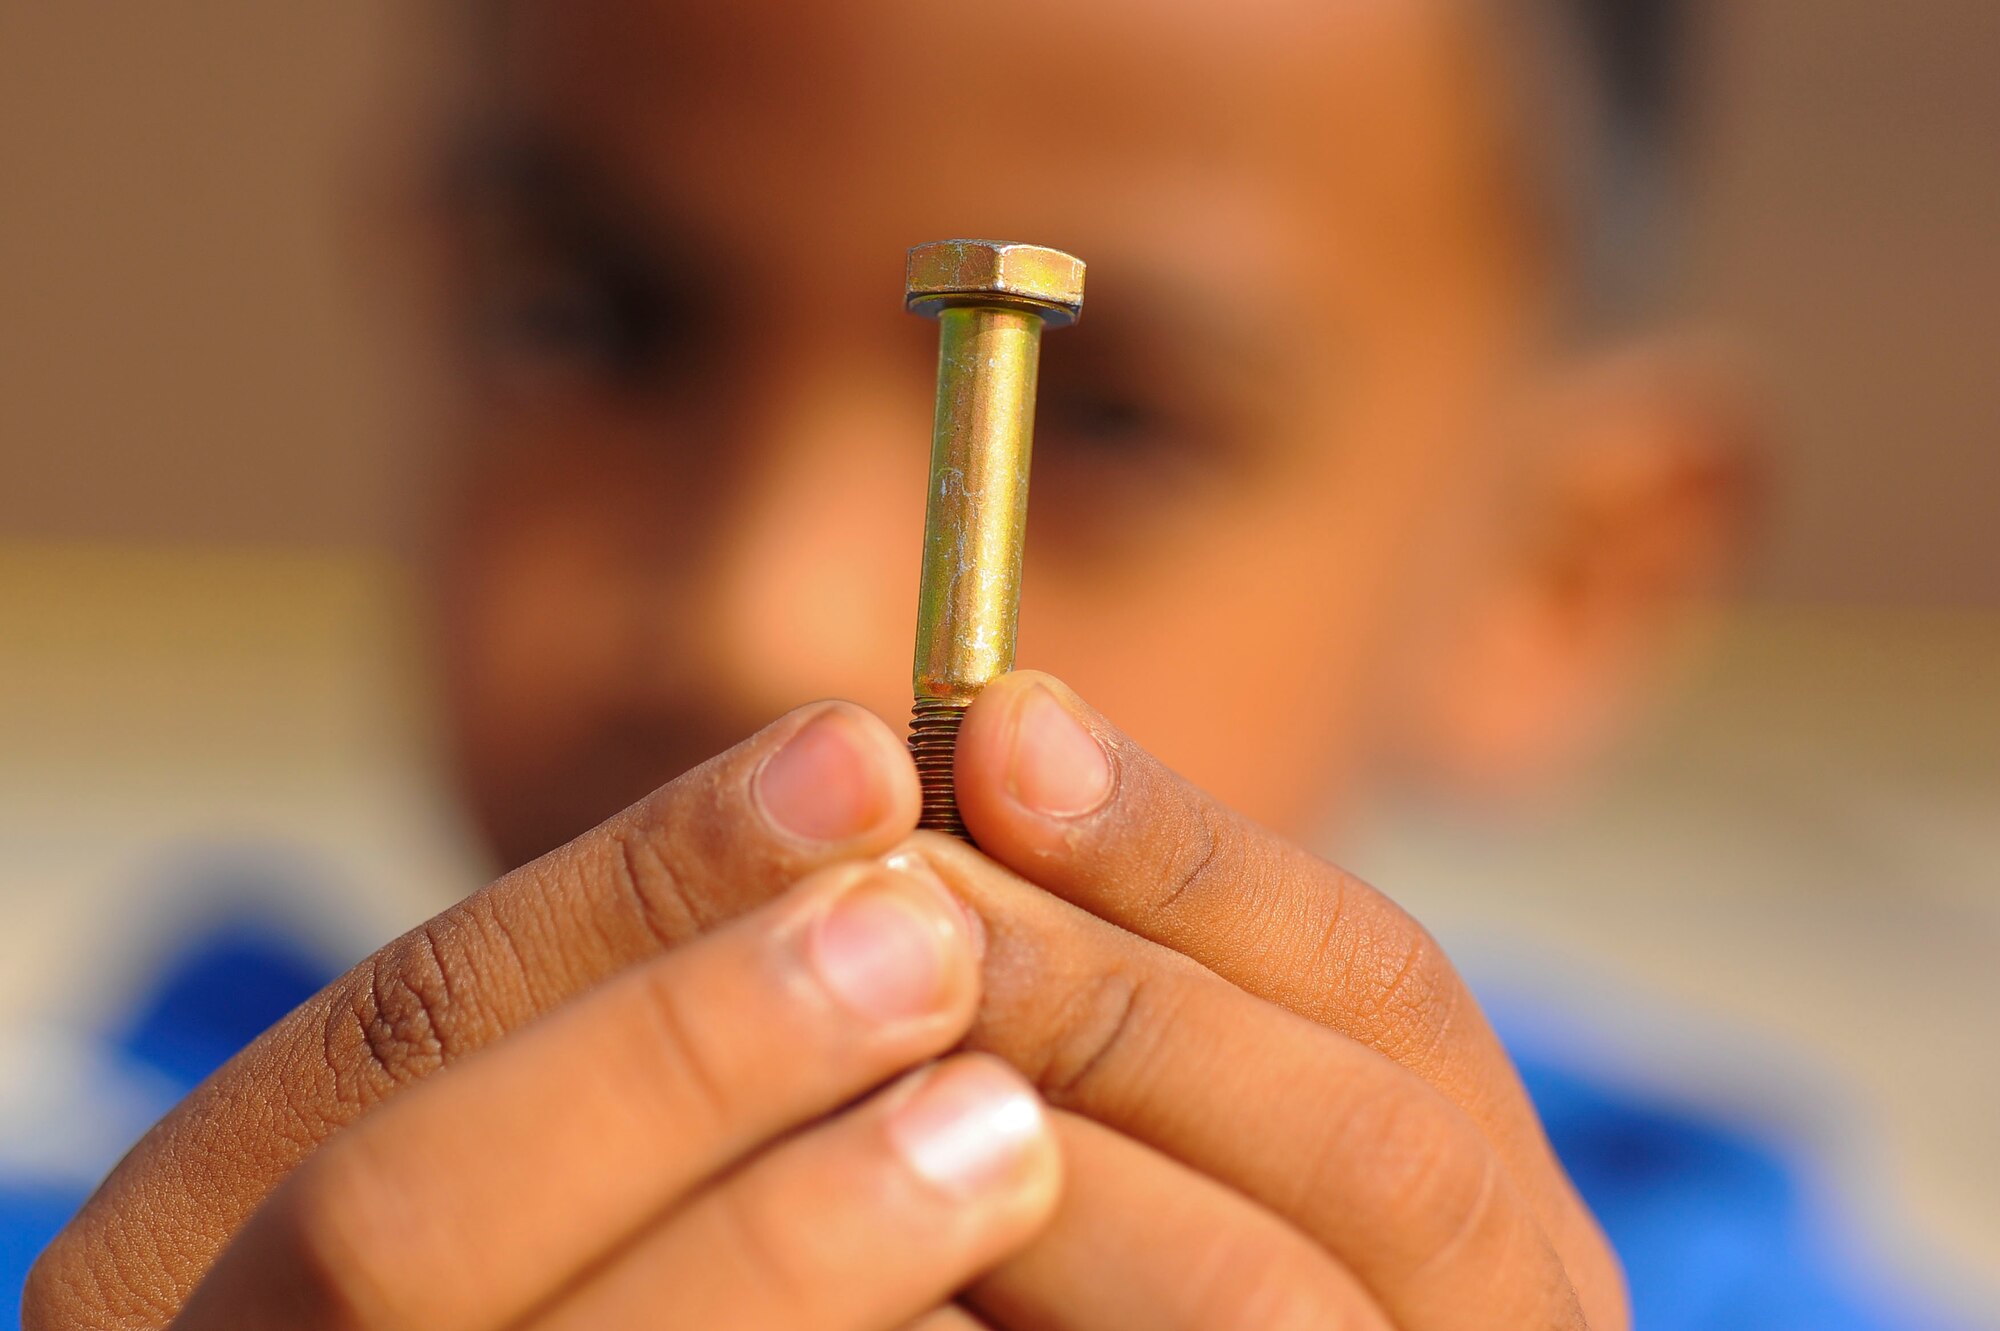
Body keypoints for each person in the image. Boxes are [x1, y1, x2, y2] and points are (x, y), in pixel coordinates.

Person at [17, 1, 1964, 1327]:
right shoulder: (119, 1240)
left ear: (1565, 575)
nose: (762, 618)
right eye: (591, 319)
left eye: (1113, 422)